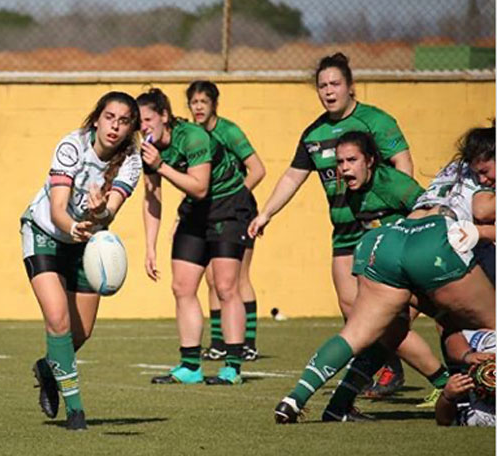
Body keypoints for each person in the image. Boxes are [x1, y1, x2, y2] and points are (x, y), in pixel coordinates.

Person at [274, 127, 496, 424]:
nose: (484, 178)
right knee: (489, 322)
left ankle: (307, 401)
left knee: (368, 333)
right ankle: (458, 398)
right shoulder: (466, 177)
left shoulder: (455, 167)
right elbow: (483, 210)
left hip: (388, 242)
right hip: (434, 242)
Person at [248, 52, 415, 394]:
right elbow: (293, 178)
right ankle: (386, 367)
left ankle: (422, 372)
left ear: (350, 87)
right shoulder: (314, 133)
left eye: (335, 83)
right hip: (342, 231)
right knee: (350, 307)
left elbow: (402, 162)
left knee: (395, 306)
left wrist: (402, 217)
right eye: (322, 85)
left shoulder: (375, 121)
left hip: (379, 227)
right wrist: (266, 213)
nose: (328, 90)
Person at [23, 91, 142, 430]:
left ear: (131, 126)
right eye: (109, 117)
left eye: (123, 121)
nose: (115, 126)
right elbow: (59, 209)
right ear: (96, 119)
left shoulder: (132, 160)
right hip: (45, 233)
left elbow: (110, 213)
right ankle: (76, 411)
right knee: (58, 320)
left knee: (81, 331)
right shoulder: (71, 146)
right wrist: (74, 225)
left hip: (85, 242)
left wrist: (98, 210)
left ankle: (48, 367)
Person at [315, 131, 451, 421]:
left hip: (422, 266)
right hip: (396, 272)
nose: (345, 167)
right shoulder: (353, 191)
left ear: (371, 160)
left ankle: (459, 389)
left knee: (448, 325)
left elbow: (431, 212)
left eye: (352, 160)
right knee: (385, 333)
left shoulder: (394, 184)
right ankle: (341, 406)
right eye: (340, 162)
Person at [138, 88, 256, 386]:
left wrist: (160, 165)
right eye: (137, 121)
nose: (143, 127)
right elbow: (152, 197)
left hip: (229, 206)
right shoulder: (148, 150)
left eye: (148, 119)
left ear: (165, 117)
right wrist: (150, 247)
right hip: (196, 211)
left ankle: (232, 367)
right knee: (182, 286)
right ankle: (190, 365)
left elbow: (200, 186)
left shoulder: (193, 137)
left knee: (226, 286)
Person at [186, 80, 266, 362]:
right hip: (210, 214)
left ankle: (249, 343)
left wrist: (236, 199)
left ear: (214, 104)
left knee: (238, 277)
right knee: (211, 278)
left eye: (203, 102)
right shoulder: (193, 136)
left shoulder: (228, 131)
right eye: (193, 102)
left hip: (237, 211)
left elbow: (258, 170)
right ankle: (219, 342)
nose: (198, 107)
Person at [435, 329, 494, 427]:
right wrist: (466, 355)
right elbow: (452, 334)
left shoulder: (486, 418)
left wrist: (447, 397)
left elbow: (445, 421)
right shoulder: (491, 343)